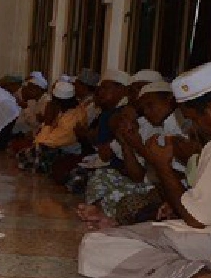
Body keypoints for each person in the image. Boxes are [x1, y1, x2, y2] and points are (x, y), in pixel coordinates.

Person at [79, 61, 211, 278]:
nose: (195, 126)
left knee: (95, 244)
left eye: (193, 118)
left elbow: (196, 218)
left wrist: (161, 166)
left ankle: (197, 275)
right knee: (132, 234)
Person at [80, 81, 189, 229]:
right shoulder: (150, 124)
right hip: (156, 185)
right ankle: (103, 210)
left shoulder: (179, 128)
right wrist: (125, 143)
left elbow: (177, 175)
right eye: (144, 109)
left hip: (175, 191)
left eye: (151, 106)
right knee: (100, 176)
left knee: (129, 203)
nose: (148, 113)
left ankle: (109, 215)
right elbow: (136, 174)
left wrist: (137, 146)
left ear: (170, 100)